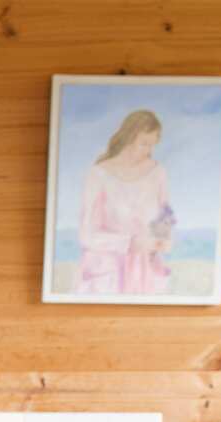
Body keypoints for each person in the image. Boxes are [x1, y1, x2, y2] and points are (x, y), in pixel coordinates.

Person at [74, 109, 173, 295]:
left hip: (144, 269)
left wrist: (162, 239)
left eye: (153, 145)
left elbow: (164, 214)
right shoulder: (98, 174)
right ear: (128, 137)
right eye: (144, 144)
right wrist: (130, 243)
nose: (149, 151)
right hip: (106, 269)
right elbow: (86, 235)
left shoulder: (158, 172)